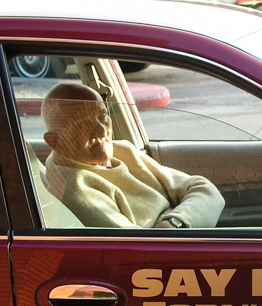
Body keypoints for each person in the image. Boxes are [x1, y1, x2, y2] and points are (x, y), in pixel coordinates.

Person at [41, 83, 224, 229]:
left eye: (103, 115)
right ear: (54, 142)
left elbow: (205, 189)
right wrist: (173, 229)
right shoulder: (76, 188)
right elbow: (143, 249)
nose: (102, 130)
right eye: (82, 125)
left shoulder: (122, 151)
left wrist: (174, 223)